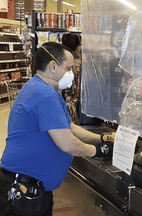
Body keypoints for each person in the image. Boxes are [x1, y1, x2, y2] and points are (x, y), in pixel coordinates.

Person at [0, 42, 114, 216]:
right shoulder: (44, 94)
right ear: (53, 66)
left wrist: (101, 139)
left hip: (32, 188)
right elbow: (67, 144)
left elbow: (69, 127)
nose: (72, 74)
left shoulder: (42, 89)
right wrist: (98, 150)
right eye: (68, 68)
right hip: (24, 190)